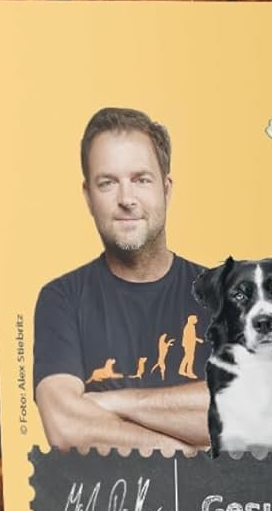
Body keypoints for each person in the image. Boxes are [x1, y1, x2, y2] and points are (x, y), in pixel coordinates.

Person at [34, 107, 210, 452]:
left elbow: (241, 414)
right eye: (107, 183)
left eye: (141, 180)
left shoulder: (222, 294)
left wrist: (110, 403)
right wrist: (185, 453)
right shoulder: (61, 299)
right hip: (110, 496)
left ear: (166, 189)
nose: (126, 199)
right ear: (88, 197)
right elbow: (66, 426)